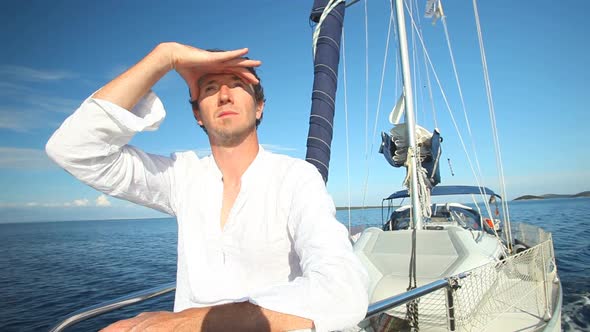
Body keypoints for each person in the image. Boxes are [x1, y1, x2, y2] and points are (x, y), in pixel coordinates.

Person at [46, 42, 369, 332]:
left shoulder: (296, 177)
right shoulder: (181, 175)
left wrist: (186, 322)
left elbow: (343, 290)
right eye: (210, 88)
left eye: (238, 85)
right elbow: (73, 149)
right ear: (197, 114)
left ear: (259, 107)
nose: (224, 95)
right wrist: (164, 58)